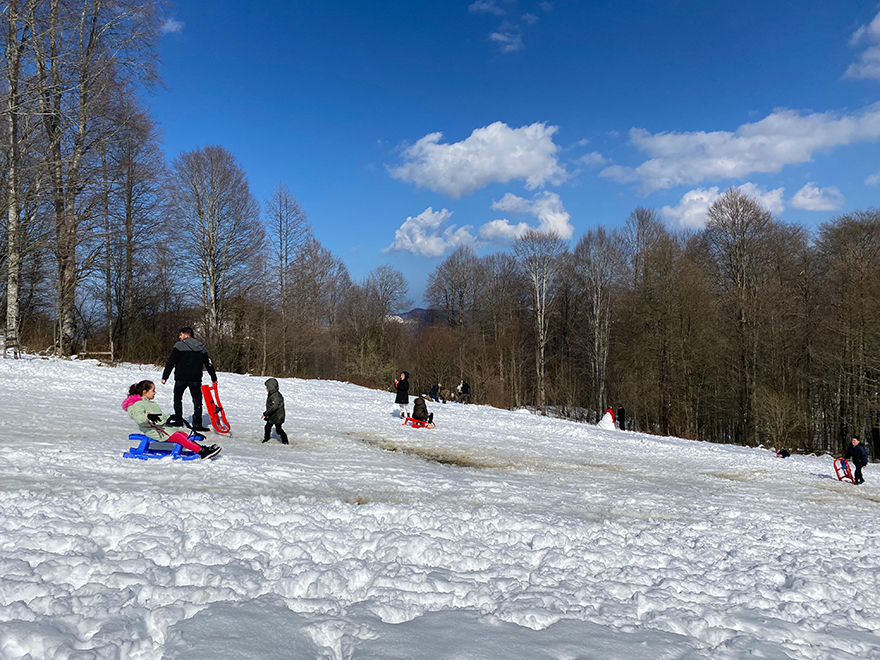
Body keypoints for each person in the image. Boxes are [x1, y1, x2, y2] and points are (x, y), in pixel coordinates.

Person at [122, 380, 221, 459]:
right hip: (154, 431)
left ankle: (202, 448)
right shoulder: (139, 404)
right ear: (145, 392)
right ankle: (202, 452)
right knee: (180, 437)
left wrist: (170, 417)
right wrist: (147, 417)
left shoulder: (148, 403)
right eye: (153, 390)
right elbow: (138, 418)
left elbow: (159, 417)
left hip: (161, 428)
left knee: (184, 435)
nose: (155, 392)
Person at [161, 327, 217, 432]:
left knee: (178, 398)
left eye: (181, 335)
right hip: (195, 378)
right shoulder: (201, 347)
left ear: (186, 335)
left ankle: (178, 419)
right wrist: (213, 378)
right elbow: (208, 364)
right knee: (197, 401)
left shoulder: (179, 346)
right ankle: (197, 423)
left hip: (181, 378)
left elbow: (171, 361)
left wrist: (165, 376)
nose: (179, 337)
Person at [262, 377, 288, 445]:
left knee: (278, 429)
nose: (266, 389)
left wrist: (266, 413)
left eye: (267, 387)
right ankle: (266, 439)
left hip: (278, 416)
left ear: (271, 388)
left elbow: (274, 407)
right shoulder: (272, 394)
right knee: (267, 427)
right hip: (273, 415)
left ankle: (285, 440)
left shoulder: (276, 396)